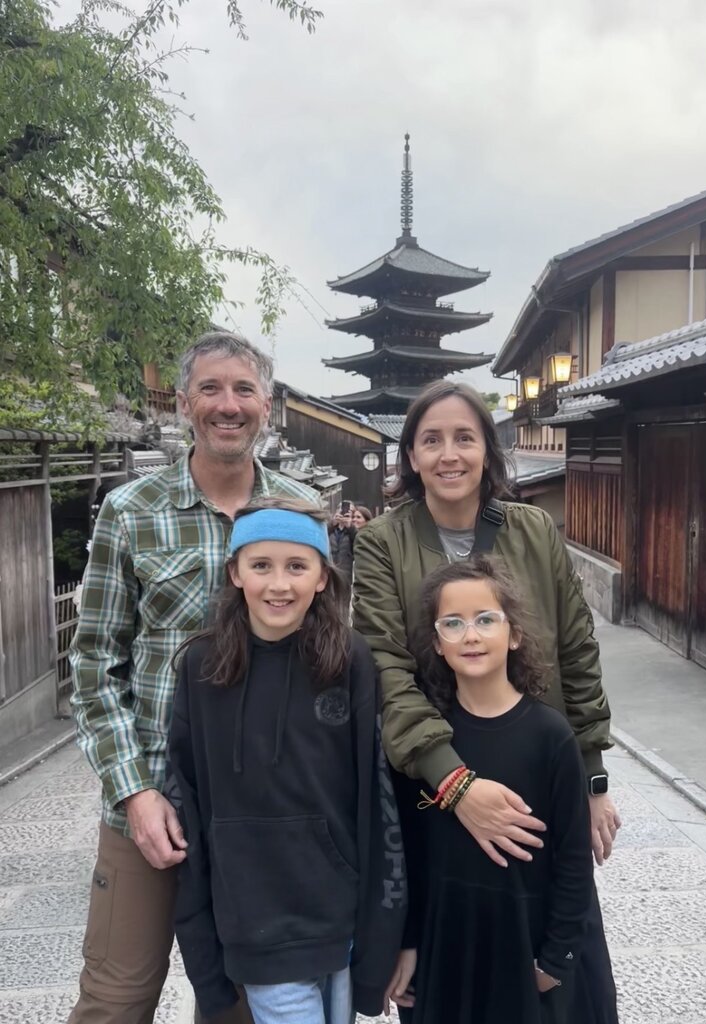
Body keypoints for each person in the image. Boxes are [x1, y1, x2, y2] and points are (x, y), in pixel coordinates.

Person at [69, 331, 317, 1024]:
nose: (227, 405)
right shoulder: (130, 511)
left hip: (261, 807)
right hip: (150, 798)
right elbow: (94, 664)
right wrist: (134, 791)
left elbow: (325, 661)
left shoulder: (300, 511)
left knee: (246, 1005)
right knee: (115, 1002)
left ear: (267, 404)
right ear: (183, 403)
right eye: (210, 389)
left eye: (243, 389)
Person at [353, 379, 620, 1021]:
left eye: (464, 438)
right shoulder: (384, 541)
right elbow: (386, 669)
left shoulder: (531, 529)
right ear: (410, 456)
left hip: (535, 762)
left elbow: (576, 648)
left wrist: (591, 778)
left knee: (559, 965)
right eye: (431, 440)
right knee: (455, 964)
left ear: (488, 449)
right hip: (435, 775)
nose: (449, 454)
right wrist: (455, 784)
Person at [167, 499, 406, 1024]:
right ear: (235, 573)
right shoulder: (202, 666)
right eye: (261, 566)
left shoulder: (348, 659)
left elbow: (378, 801)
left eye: (297, 566)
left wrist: (385, 931)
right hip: (252, 916)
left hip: (336, 909)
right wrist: (202, 951)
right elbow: (186, 799)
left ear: (322, 577)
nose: (279, 584)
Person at [387, 556, 594, 1024]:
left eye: (485, 619)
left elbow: (574, 859)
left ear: (514, 633)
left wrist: (557, 959)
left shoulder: (550, 736)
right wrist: (407, 942)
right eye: (453, 623)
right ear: (436, 643)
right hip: (443, 947)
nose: (471, 635)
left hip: (523, 946)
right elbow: (408, 854)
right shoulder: (427, 744)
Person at [328, 505, 356, 583]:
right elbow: (321, 537)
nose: (343, 512)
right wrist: (332, 524)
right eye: (340, 509)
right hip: (329, 571)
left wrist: (350, 527)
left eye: (348, 511)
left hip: (346, 574)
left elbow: (358, 542)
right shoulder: (331, 528)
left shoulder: (353, 529)